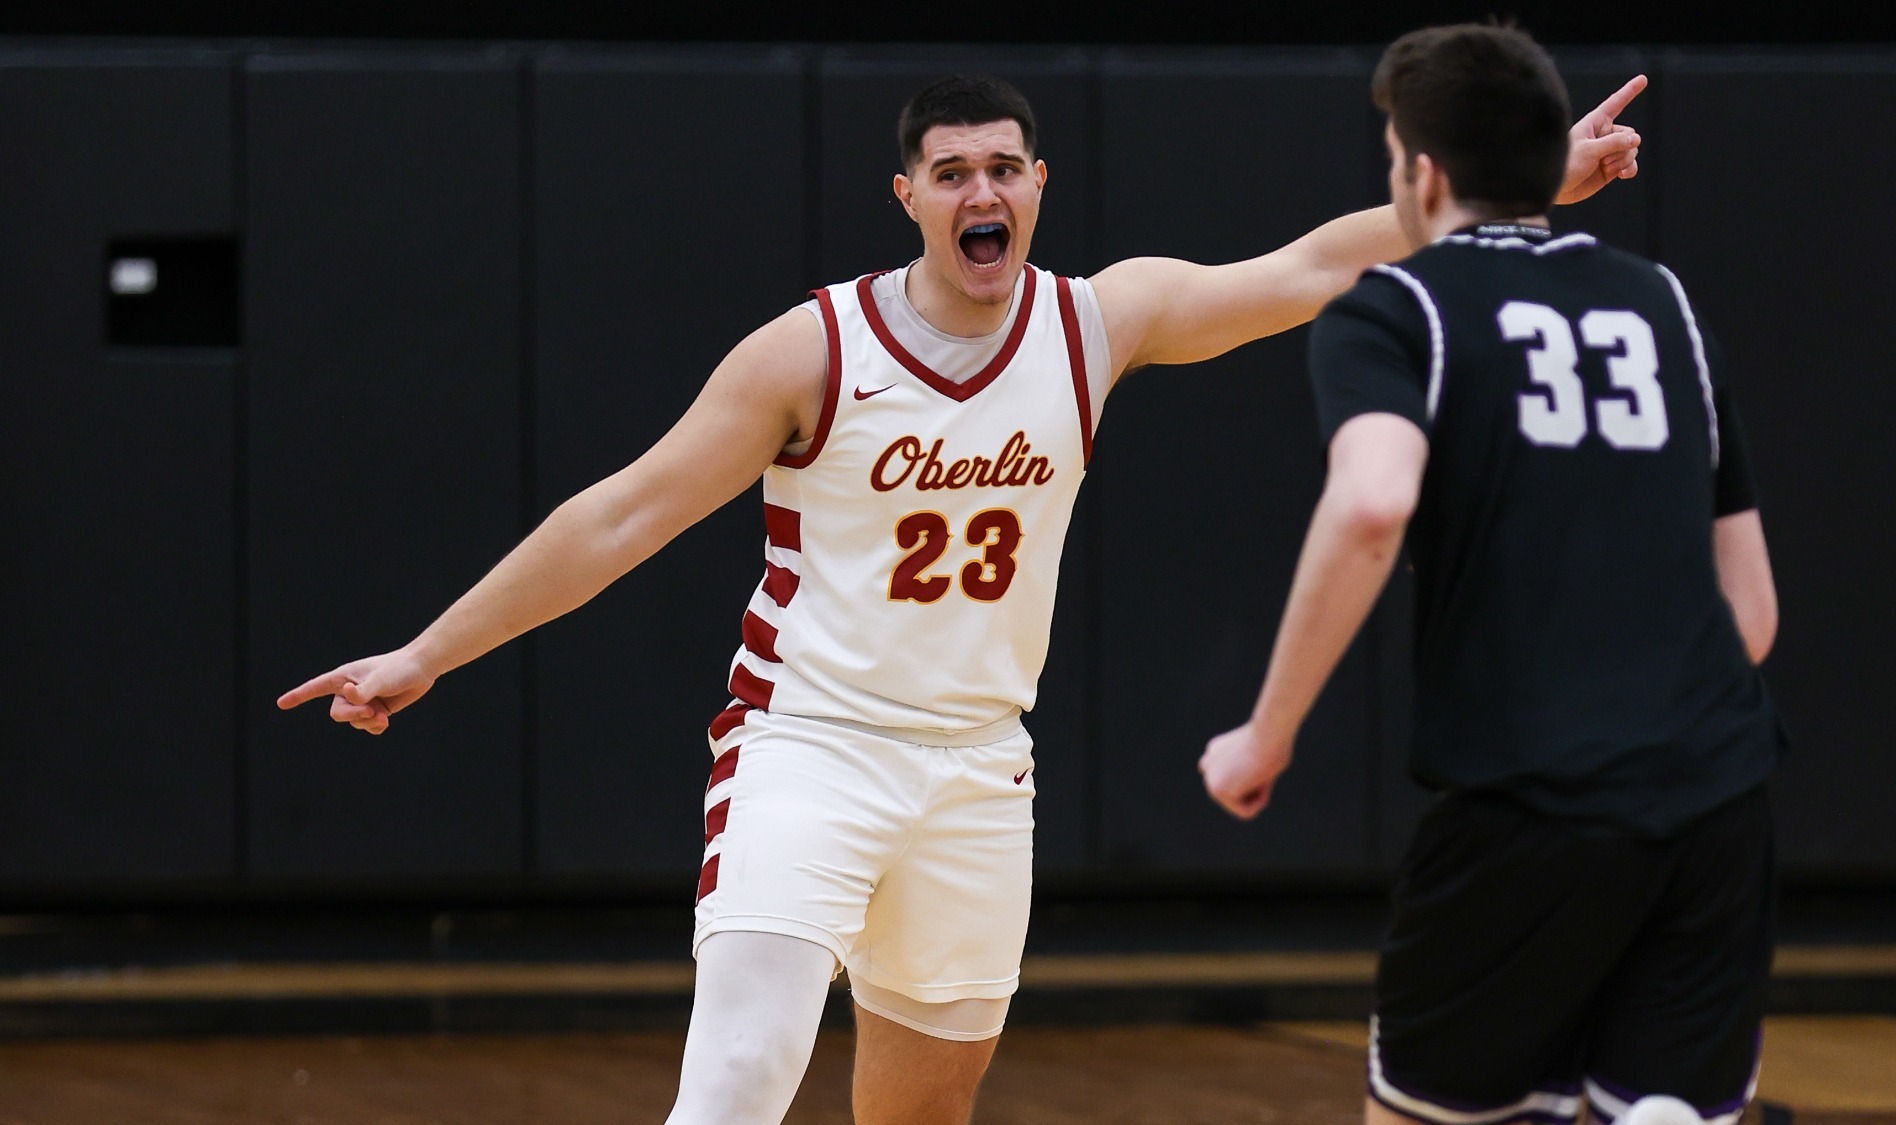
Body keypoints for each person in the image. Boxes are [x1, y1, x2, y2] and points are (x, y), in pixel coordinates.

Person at [280, 73, 1644, 1125]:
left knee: (922, 1106)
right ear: (910, 195)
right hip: (803, 748)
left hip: (979, 768)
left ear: (1037, 184)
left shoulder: (1100, 322)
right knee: (739, 1077)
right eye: (952, 174)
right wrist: (430, 651)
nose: (980, 191)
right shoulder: (813, 347)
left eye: (1003, 168)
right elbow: (623, 511)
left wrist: (1514, 187)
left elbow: (1305, 269)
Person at [1199, 25, 1782, 1125]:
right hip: (1717, 801)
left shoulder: (1396, 308)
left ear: (1418, 172)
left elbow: (1372, 500)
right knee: (1655, 1104)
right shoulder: (1659, 304)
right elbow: (1748, 612)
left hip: (1530, 806)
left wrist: (1263, 736)